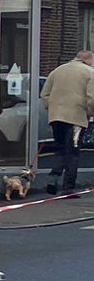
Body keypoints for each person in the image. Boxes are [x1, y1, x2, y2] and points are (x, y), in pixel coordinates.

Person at [42, 48, 94, 194]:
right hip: (76, 119)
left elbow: (45, 94)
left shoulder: (57, 71)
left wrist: (52, 109)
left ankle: (52, 178)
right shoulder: (89, 73)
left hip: (56, 117)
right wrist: (88, 114)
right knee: (73, 152)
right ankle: (68, 188)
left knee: (60, 148)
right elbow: (92, 98)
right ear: (88, 60)